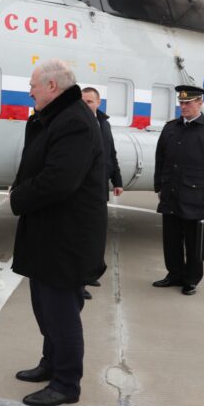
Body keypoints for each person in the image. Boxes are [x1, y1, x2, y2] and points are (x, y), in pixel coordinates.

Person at [9, 59, 107, 406]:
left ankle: (66, 383)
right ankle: (50, 363)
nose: (29, 91)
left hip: (66, 239)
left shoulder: (74, 121)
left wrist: (17, 197)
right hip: (47, 233)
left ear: (52, 86)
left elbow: (59, 180)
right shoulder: (54, 117)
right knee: (45, 309)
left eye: (33, 85)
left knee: (61, 314)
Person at [152, 85, 204, 296]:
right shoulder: (170, 128)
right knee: (171, 239)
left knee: (193, 242)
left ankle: (191, 279)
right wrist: (159, 186)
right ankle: (174, 274)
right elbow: (160, 159)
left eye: (188, 103)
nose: (183, 106)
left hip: (196, 195)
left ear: (199, 103)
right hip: (171, 192)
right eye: (181, 102)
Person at [80, 87, 124, 299]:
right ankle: (78, 282)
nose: (85, 105)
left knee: (96, 234)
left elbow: (111, 153)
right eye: (82, 101)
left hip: (99, 187)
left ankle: (90, 273)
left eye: (89, 101)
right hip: (81, 189)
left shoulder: (104, 124)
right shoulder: (77, 123)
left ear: (98, 102)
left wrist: (117, 180)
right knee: (80, 235)